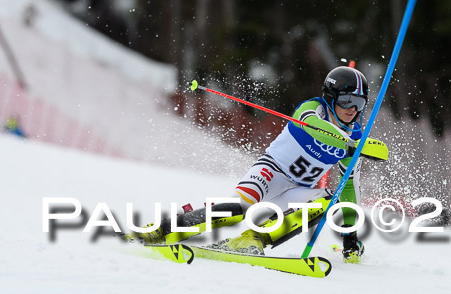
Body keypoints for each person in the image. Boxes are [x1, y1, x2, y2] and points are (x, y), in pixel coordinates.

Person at [126, 66, 388, 263]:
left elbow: (350, 188)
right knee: (236, 210)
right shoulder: (313, 110)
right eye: (346, 102)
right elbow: (313, 126)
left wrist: (350, 237)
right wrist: (350, 144)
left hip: (298, 190)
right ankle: (164, 230)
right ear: (330, 98)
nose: (352, 110)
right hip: (271, 172)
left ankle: (252, 239)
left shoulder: (355, 137)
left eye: (359, 104)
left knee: (328, 200)